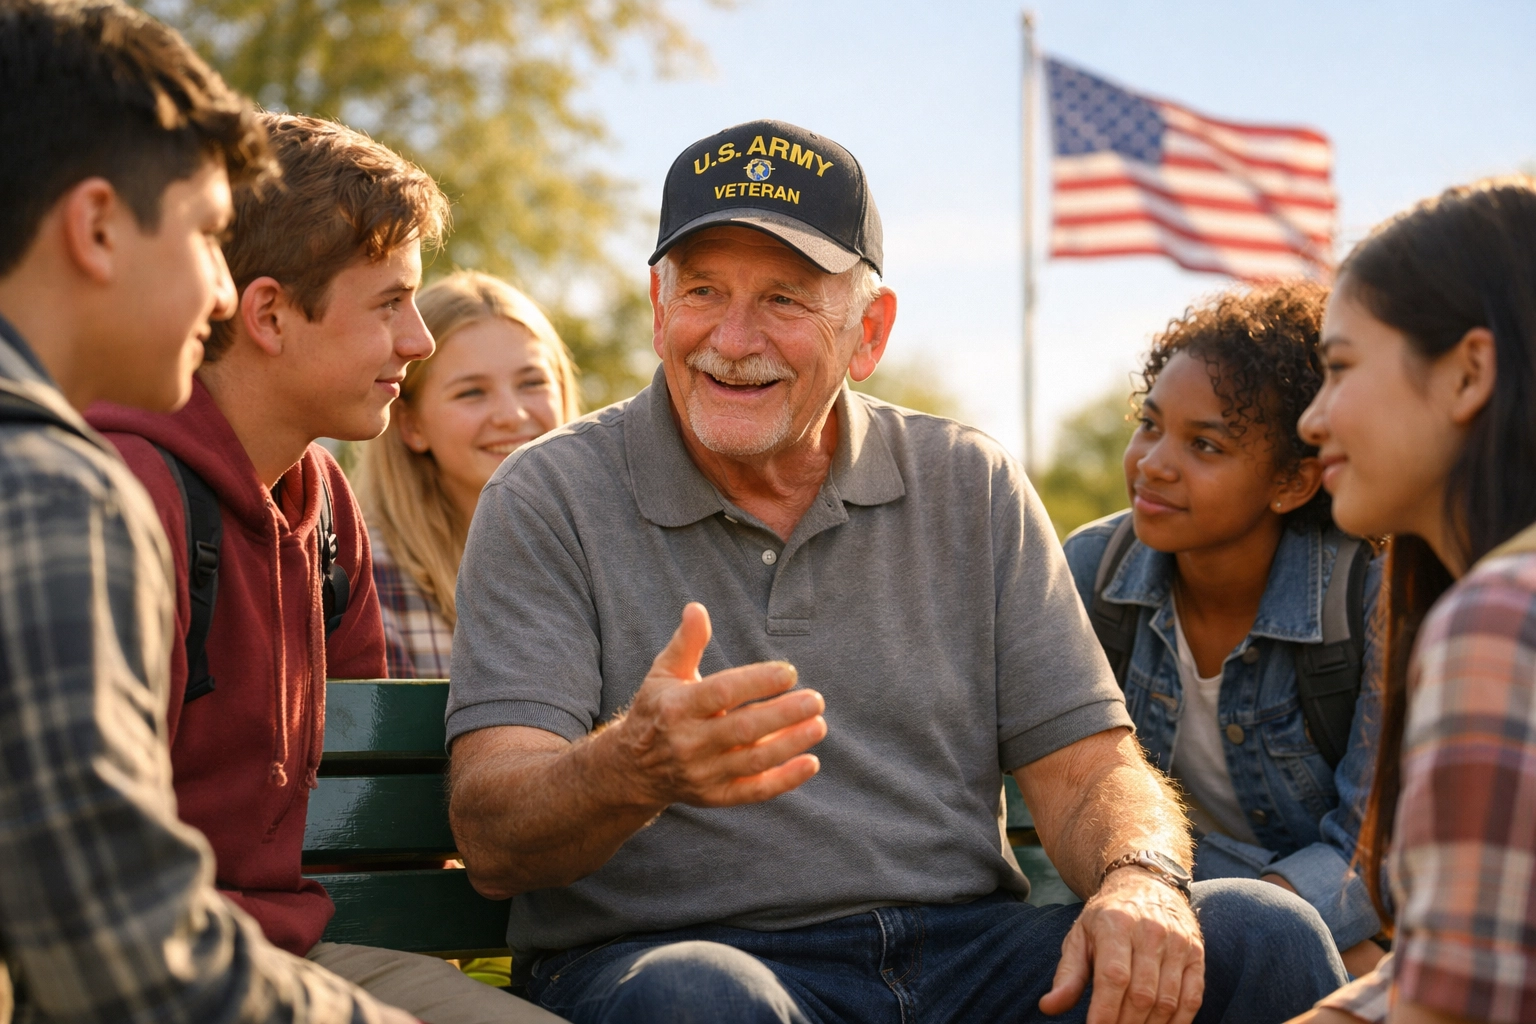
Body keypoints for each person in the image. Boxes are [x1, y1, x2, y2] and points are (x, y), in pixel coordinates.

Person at [445, 118, 1348, 1024]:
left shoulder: (971, 481)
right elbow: (492, 838)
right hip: (676, 959)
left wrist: (1139, 876)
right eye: (703, 291)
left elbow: (1088, 773)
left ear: (868, 332)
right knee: (703, 1001)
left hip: (965, 957)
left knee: (1261, 933)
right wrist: (630, 768)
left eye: (786, 301)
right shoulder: (547, 494)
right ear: (657, 306)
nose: (731, 337)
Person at [85, 112, 565, 1024]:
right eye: (390, 303)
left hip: (304, 952)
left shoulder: (325, 508)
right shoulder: (125, 489)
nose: (419, 341)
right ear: (267, 313)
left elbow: (363, 843)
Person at [0, 0, 426, 1019]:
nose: (221, 293)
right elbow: (116, 948)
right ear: (97, 228)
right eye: (203, 237)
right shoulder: (57, 487)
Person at [1062, 283, 1388, 977]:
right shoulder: (1093, 571)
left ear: (1295, 481)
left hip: (1345, 928)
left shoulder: (1372, 596)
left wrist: (1250, 927)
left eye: (1204, 445)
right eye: (1149, 424)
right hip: (1155, 899)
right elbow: (1060, 793)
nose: (1153, 462)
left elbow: (1377, 850)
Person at [1288, 177, 1536, 1024]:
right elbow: (1447, 969)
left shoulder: (1499, 620)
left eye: (1340, 368)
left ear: (1469, 373)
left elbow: (1455, 1010)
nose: (1312, 420)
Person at [358, 269, 580, 679]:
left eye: (532, 382)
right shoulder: (367, 576)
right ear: (412, 425)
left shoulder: (604, 551)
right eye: (472, 392)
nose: (512, 415)